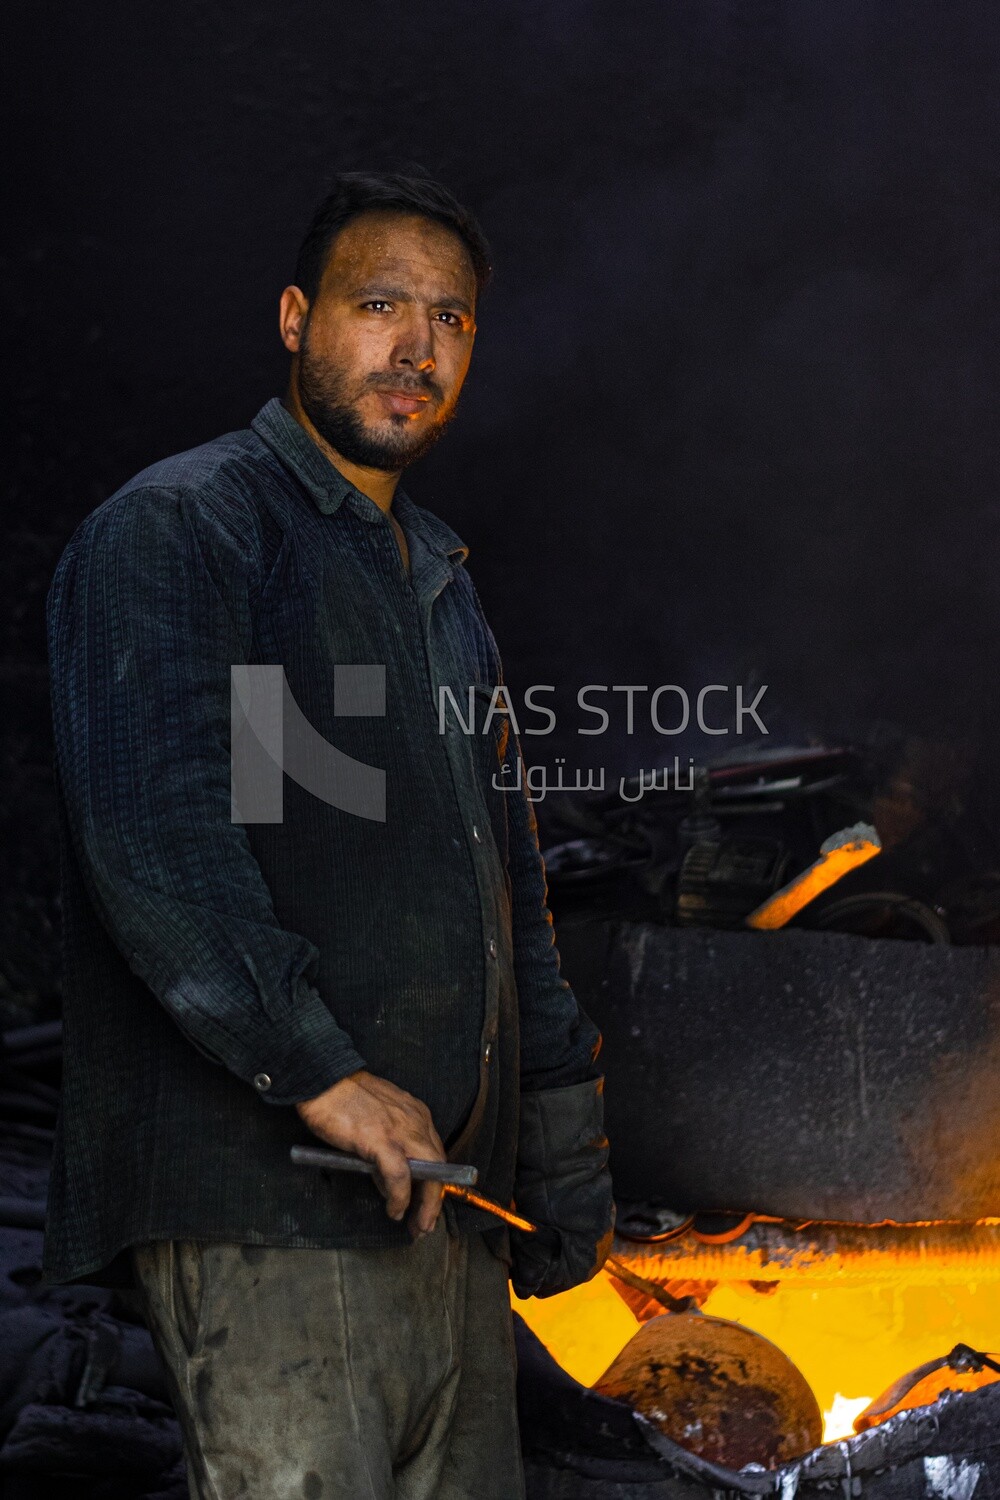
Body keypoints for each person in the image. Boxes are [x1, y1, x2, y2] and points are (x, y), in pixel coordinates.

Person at [44, 171, 615, 1499]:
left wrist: (565, 1143)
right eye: (378, 306)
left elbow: (501, 890)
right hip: (271, 1208)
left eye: (451, 320)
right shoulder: (187, 530)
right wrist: (320, 1069)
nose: (417, 348)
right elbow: (156, 839)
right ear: (298, 318)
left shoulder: (433, 589)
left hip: (443, 1213)